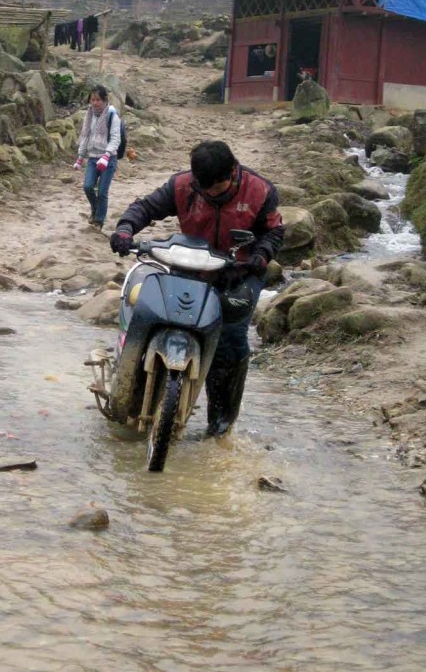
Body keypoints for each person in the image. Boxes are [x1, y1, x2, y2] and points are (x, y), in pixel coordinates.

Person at [109, 140, 284, 437]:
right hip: (189, 266)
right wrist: (126, 228)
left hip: (238, 273)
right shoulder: (182, 185)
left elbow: (274, 230)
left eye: (215, 189)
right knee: (152, 313)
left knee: (229, 339)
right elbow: (147, 207)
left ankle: (220, 423)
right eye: (202, 189)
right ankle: (132, 393)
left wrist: (261, 255)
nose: (208, 194)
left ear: (233, 171)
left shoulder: (260, 191)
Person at [73, 85, 121, 230]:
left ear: (105, 100)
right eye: (92, 100)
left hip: (109, 158)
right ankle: (95, 209)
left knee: (102, 192)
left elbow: (115, 138)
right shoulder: (89, 115)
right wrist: (80, 157)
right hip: (93, 158)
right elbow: (85, 135)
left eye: (97, 100)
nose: (94, 103)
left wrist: (106, 156)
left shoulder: (112, 115)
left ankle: (99, 220)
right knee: (87, 186)